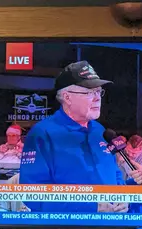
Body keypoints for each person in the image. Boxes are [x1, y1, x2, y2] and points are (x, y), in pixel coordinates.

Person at [19, 61, 128, 213]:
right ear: (67, 98)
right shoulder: (42, 134)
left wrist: (122, 198)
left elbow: (114, 172)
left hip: (113, 225)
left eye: (99, 91)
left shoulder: (100, 131)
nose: (97, 98)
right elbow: (32, 194)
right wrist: (90, 208)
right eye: (89, 92)